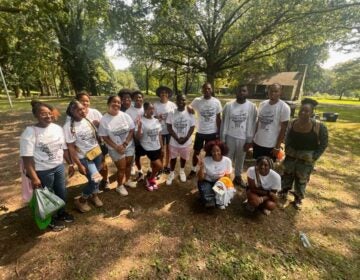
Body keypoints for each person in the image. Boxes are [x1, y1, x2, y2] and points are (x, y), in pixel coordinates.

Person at [20, 100, 74, 231]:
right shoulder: (30, 132)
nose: (48, 116)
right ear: (36, 115)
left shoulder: (57, 128)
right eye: (43, 114)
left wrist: (70, 163)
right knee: (47, 197)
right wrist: (34, 178)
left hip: (59, 167)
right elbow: (27, 158)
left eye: (49, 113)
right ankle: (50, 219)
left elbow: (64, 148)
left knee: (61, 192)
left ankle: (61, 213)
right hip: (42, 171)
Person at [280, 98, 328, 210]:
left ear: (312, 112)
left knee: (302, 179)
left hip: (306, 158)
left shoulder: (319, 126)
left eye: (306, 111)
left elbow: (324, 143)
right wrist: (287, 148)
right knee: (287, 174)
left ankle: (298, 198)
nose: (303, 113)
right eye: (302, 110)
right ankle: (284, 191)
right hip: (291, 155)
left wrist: (315, 156)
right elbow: (287, 137)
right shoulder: (293, 123)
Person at [63, 100, 104, 213]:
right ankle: (81, 200)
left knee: (95, 178)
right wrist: (79, 164)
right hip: (84, 157)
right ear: (72, 111)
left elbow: (95, 137)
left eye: (83, 108)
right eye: (79, 110)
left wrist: (102, 153)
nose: (82, 111)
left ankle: (94, 196)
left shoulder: (87, 120)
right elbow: (71, 148)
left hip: (96, 153)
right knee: (96, 179)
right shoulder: (68, 127)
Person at [99, 95, 137, 196]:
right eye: (114, 102)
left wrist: (125, 143)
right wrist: (116, 147)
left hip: (128, 145)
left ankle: (127, 181)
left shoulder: (125, 116)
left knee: (129, 164)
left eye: (119, 102)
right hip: (114, 148)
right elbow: (104, 137)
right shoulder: (104, 119)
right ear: (108, 103)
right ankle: (119, 186)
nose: (116, 104)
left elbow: (131, 130)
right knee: (122, 168)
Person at [220, 85, 257, 187]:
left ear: (247, 93)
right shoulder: (229, 105)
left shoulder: (252, 106)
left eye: (244, 91)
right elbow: (224, 122)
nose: (241, 92)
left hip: (243, 138)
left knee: (240, 159)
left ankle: (237, 177)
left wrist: (249, 141)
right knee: (227, 158)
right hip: (229, 136)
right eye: (239, 90)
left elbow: (253, 124)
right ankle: (225, 178)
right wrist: (223, 139)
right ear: (236, 92)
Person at [74, 91, 110, 191]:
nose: (85, 103)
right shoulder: (72, 117)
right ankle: (93, 186)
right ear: (77, 102)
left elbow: (105, 126)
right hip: (84, 152)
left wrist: (99, 124)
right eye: (82, 101)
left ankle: (105, 180)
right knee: (91, 171)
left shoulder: (95, 112)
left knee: (103, 165)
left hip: (97, 146)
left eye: (87, 101)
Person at [188, 82, 222, 179]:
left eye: (209, 88)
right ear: (202, 90)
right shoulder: (197, 100)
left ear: (211, 90)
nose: (207, 90)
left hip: (212, 132)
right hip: (200, 132)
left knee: (210, 153)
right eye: (205, 89)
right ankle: (193, 170)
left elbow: (218, 118)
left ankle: (207, 170)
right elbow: (189, 106)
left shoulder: (216, 102)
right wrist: (190, 108)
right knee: (196, 152)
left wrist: (218, 133)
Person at [253, 83, 290, 161]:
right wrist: (253, 138)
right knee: (257, 165)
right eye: (271, 91)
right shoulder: (262, 104)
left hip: (271, 145)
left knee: (267, 168)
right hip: (258, 142)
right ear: (268, 91)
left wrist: (277, 147)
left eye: (276, 91)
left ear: (280, 92)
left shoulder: (284, 107)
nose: (273, 93)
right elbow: (258, 122)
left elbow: (283, 129)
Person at [166, 94, 195, 185]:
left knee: (183, 157)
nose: (181, 102)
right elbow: (169, 127)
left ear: (186, 101)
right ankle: (171, 173)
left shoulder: (190, 112)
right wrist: (177, 138)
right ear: (176, 102)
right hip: (174, 142)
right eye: (179, 100)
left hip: (186, 142)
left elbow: (192, 126)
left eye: (183, 100)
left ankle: (182, 171)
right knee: (173, 158)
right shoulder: (172, 112)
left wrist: (186, 138)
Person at [136, 102, 163, 191]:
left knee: (154, 165)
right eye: (149, 109)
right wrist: (139, 128)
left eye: (152, 109)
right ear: (145, 110)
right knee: (159, 166)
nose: (151, 110)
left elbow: (159, 134)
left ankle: (151, 179)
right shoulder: (141, 121)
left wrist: (162, 147)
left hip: (157, 146)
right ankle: (150, 179)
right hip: (148, 147)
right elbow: (138, 137)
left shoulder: (156, 120)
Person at [197, 140, 232, 208]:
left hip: (219, 182)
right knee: (210, 203)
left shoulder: (227, 161)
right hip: (207, 181)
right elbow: (201, 178)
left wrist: (222, 189)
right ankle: (208, 195)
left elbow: (228, 178)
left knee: (221, 199)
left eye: (218, 150)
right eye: (213, 151)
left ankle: (213, 194)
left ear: (221, 150)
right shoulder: (206, 160)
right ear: (210, 151)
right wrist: (201, 167)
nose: (216, 153)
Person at [154, 86, 177, 174]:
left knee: (169, 149)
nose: (164, 94)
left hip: (169, 131)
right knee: (160, 150)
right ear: (159, 94)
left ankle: (167, 166)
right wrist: (157, 117)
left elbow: (176, 116)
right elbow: (152, 117)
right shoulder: (156, 105)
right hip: (159, 131)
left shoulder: (172, 105)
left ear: (168, 94)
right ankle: (160, 167)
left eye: (165, 92)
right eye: (162, 93)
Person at [126, 90, 145, 180]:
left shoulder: (146, 108)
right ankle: (140, 171)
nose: (138, 99)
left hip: (146, 136)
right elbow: (128, 126)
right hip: (135, 137)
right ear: (133, 99)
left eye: (140, 97)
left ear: (142, 98)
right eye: (136, 98)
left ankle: (150, 170)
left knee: (150, 153)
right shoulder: (129, 111)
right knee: (137, 155)